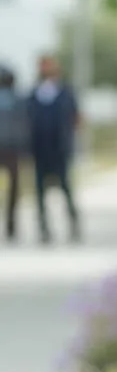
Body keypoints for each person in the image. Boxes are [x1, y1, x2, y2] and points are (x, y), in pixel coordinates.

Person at [28, 54, 81, 244]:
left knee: (66, 188)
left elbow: (76, 117)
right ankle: (44, 229)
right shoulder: (35, 93)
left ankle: (74, 224)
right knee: (40, 192)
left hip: (60, 148)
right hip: (40, 149)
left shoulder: (66, 91)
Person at [0, 66, 28, 242]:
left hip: (12, 149)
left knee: (14, 188)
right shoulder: (19, 100)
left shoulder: (19, 100)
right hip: (11, 149)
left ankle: (11, 223)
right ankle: (11, 224)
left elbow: (24, 126)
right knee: (14, 188)